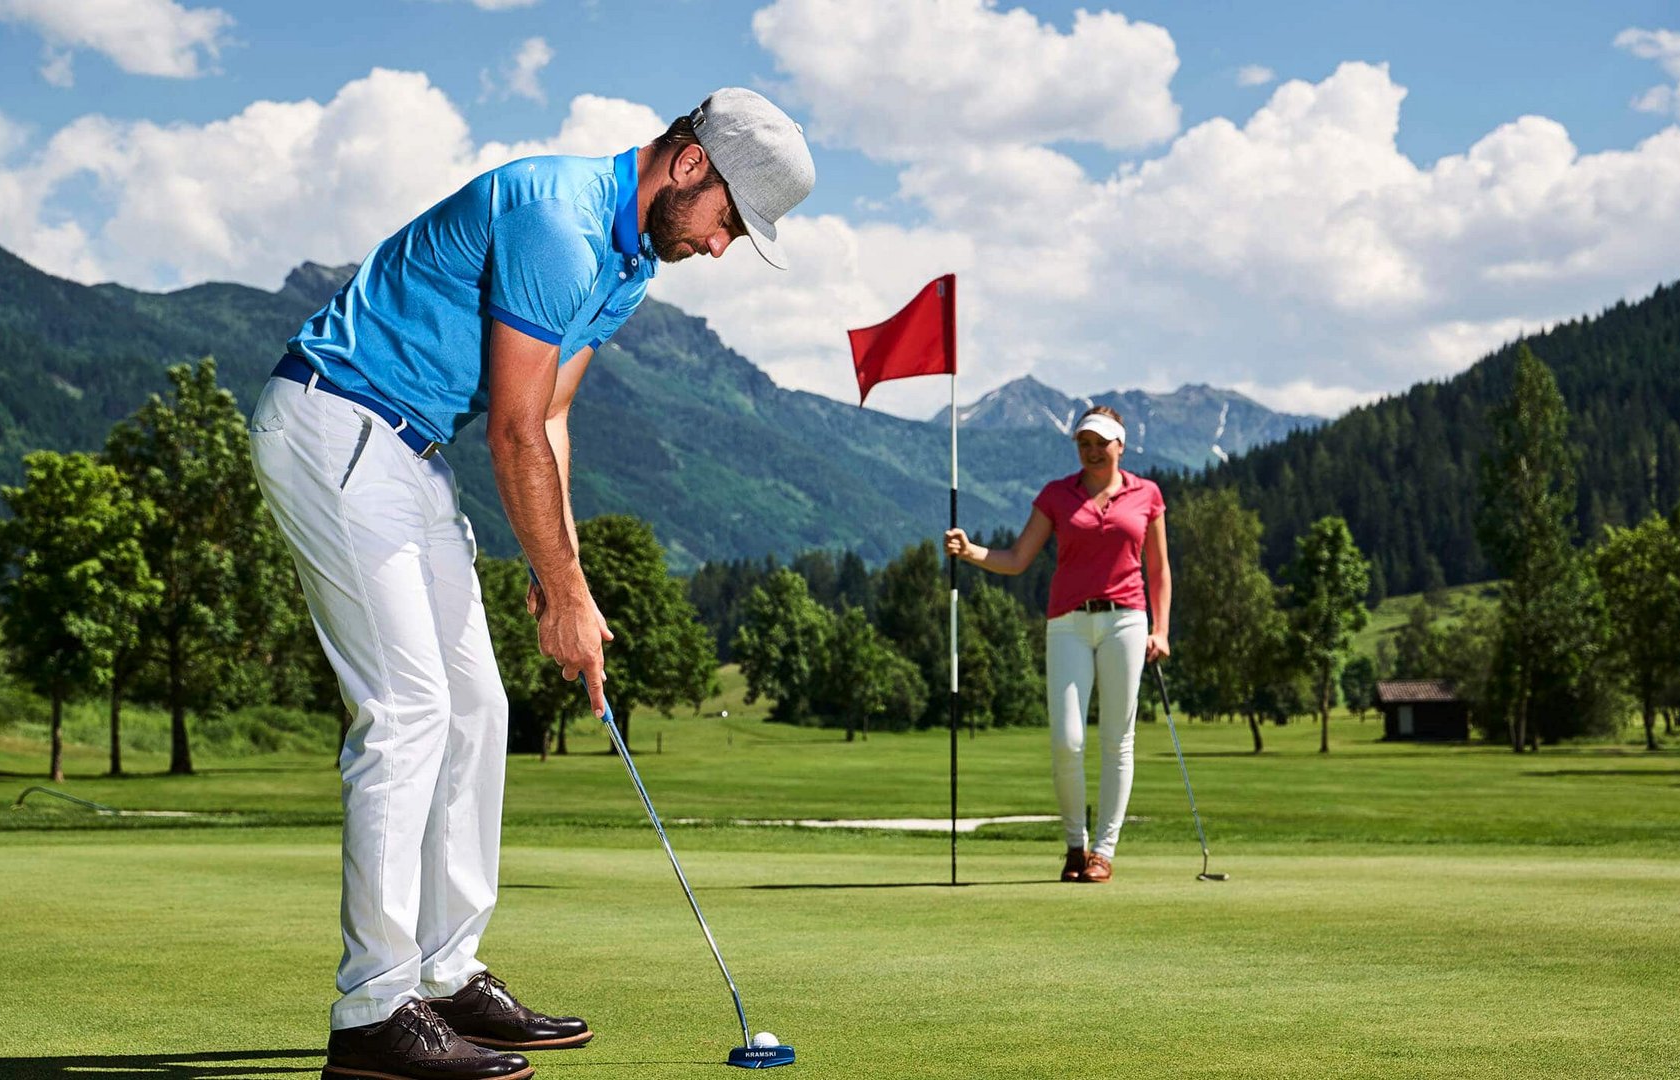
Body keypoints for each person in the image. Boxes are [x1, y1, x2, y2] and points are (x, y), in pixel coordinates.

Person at [248, 88, 814, 1080]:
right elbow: (511, 429)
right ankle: (374, 1013)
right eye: (730, 219)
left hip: (411, 455)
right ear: (688, 164)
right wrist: (553, 595)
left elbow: (549, 419)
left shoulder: (629, 267)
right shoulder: (555, 215)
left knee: (477, 705)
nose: (724, 247)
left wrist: (574, 587)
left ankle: (446, 971)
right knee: (410, 709)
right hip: (336, 420)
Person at [943, 405, 1171, 885]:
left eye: (1100, 443)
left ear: (1120, 445)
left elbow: (1159, 569)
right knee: (1067, 740)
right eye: (1083, 443)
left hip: (1126, 622)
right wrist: (971, 551)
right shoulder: (1056, 495)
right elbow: (1018, 557)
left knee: (1116, 740)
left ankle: (1103, 852)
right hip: (1067, 623)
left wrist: (1161, 630)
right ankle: (1075, 845)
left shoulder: (1146, 494)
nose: (1091, 451)